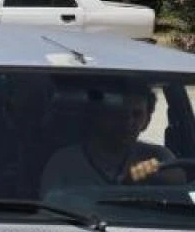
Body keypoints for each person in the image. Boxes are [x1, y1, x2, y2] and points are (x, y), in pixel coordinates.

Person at [40, 83, 179, 195]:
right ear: (98, 115)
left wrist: (159, 179)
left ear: (147, 120)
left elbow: (183, 191)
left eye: (137, 114)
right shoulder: (64, 163)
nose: (128, 122)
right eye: (118, 113)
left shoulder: (158, 158)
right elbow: (49, 214)